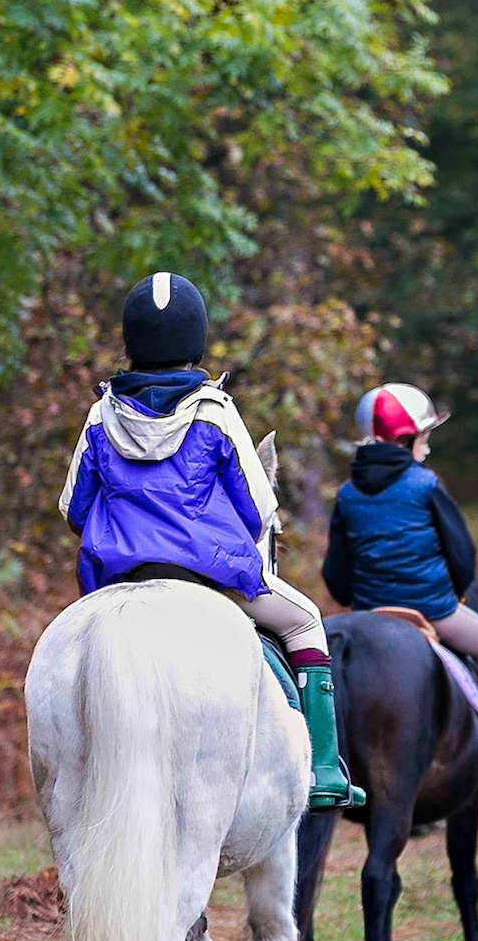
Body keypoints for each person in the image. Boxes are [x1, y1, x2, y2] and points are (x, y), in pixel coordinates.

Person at [59, 272, 360, 811]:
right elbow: (257, 507)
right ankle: (321, 771)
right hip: (208, 580)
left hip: (121, 582)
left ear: (131, 342)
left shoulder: (100, 416)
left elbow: (73, 509)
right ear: (195, 339)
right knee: (306, 620)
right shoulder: (214, 411)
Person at [322, 383, 478, 788]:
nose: (426, 449)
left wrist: (358, 599)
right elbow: (462, 559)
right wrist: (457, 593)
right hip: (431, 607)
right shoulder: (425, 484)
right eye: (425, 439)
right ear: (406, 438)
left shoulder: (346, 495)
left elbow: (336, 577)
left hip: (367, 612)